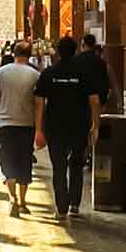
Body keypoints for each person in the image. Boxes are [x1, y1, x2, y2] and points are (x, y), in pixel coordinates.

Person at [34, 36, 101, 220]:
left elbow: (39, 102)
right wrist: (95, 125)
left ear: (57, 51)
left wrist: (38, 129)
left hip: (54, 127)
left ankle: (61, 207)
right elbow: (94, 101)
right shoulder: (84, 73)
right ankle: (74, 205)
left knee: (59, 166)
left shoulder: (48, 74)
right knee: (77, 164)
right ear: (75, 51)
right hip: (79, 126)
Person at [0, 39, 42, 215]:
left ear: (14, 53)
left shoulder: (2, 72)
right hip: (27, 125)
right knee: (24, 161)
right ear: (29, 54)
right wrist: (39, 128)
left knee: (7, 161)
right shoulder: (35, 75)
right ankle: (23, 201)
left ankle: (12, 198)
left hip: (6, 124)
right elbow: (39, 104)